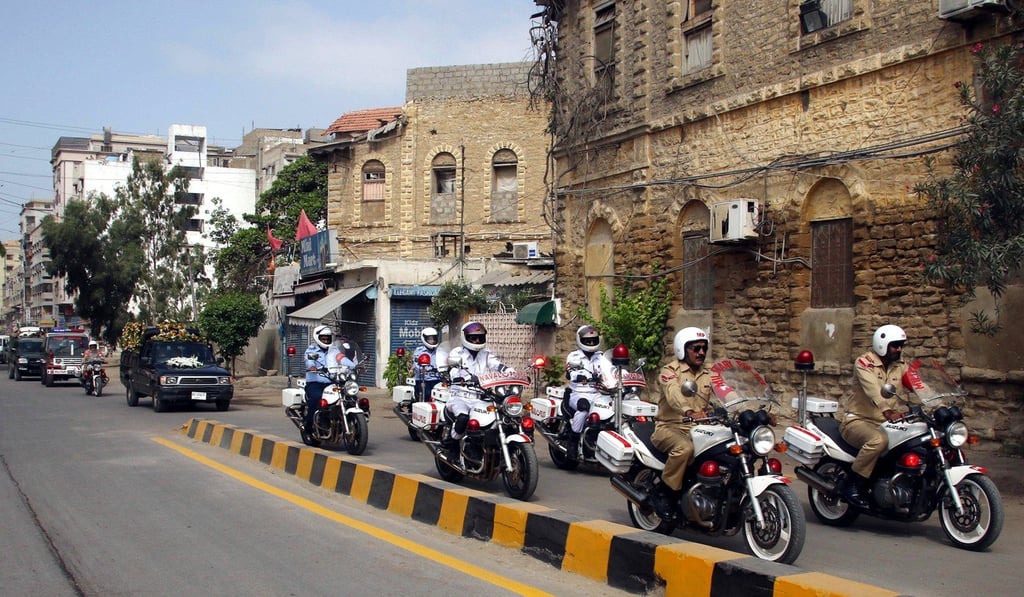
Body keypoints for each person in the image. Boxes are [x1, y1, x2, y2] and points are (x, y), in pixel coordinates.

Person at [838, 324, 912, 508]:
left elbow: (918, 384)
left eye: (901, 345)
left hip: (888, 423)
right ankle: (853, 484)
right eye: (895, 345)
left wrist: (938, 402)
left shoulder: (900, 366)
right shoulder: (864, 363)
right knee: (878, 441)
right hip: (857, 420)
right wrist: (887, 409)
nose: (899, 349)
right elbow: (873, 390)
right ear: (882, 344)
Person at [651, 327, 715, 520]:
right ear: (683, 349)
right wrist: (689, 411)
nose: (701, 352)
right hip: (669, 427)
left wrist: (750, 409)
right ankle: (665, 493)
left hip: (700, 429)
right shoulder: (670, 371)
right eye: (696, 348)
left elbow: (726, 393)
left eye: (704, 348)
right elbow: (673, 394)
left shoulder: (709, 374)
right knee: (684, 449)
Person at [443, 321, 512, 451]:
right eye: (473, 338)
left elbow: (497, 365)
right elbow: (454, 370)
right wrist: (466, 378)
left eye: (479, 337)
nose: (476, 340)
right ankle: (452, 446)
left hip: (480, 397)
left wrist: (510, 372)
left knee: (496, 419)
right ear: (465, 337)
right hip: (460, 397)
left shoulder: (486, 354)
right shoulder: (457, 353)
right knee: (463, 418)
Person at [562, 325, 613, 459]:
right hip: (578, 393)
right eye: (587, 340)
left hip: (598, 393)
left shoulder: (601, 357)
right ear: (580, 340)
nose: (591, 343)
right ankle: (572, 442)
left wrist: (622, 374)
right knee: (584, 409)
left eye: (593, 340)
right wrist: (578, 376)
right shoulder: (574, 356)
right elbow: (570, 372)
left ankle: (597, 439)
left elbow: (611, 369)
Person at [303, 325, 336, 437]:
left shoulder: (334, 350)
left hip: (332, 382)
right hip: (315, 382)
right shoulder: (311, 350)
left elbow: (342, 359)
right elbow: (309, 361)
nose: (326, 340)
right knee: (317, 398)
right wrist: (312, 367)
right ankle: (308, 424)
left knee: (348, 395)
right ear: (318, 338)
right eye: (324, 338)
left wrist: (353, 366)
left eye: (328, 338)